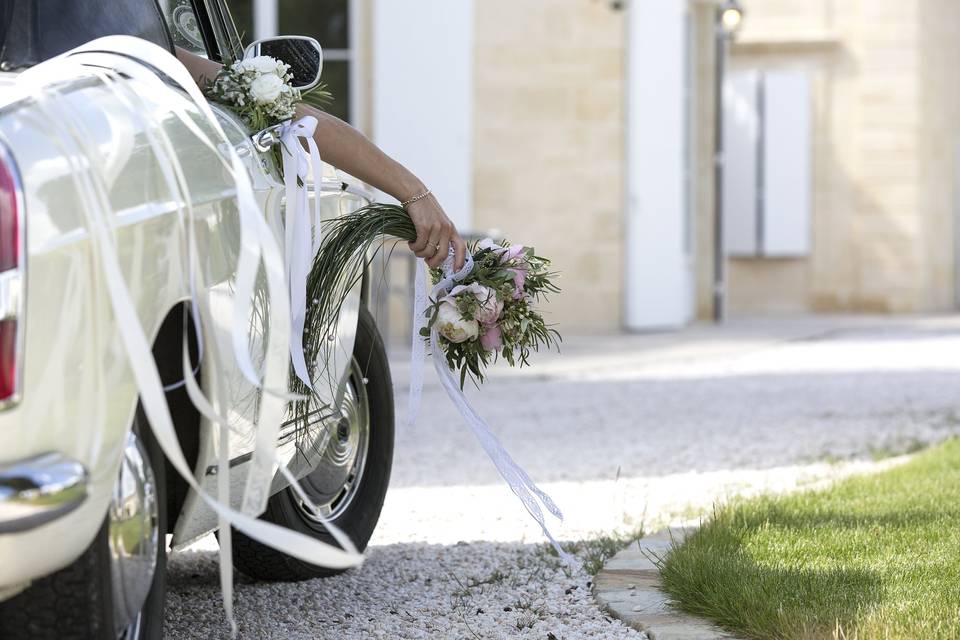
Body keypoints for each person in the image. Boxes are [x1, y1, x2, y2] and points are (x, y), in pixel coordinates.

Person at [175, 47, 467, 271]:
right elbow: (296, 119)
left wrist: (415, 192)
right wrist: (415, 192)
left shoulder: (149, 54)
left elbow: (295, 118)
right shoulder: (156, 54)